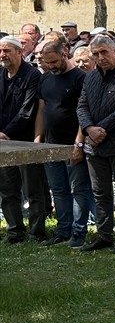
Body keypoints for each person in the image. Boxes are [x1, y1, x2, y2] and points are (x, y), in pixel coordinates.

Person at [76, 35, 115, 252]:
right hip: (93, 145)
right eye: (95, 54)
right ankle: (104, 235)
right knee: (100, 192)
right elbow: (82, 106)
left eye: (104, 52)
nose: (100, 57)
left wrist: (99, 129)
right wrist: (88, 129)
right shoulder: (90, 78)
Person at [34, 39, 91, 247]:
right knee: (58, 190)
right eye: (47, 62)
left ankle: (78, 231)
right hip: (50, 144)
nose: (50, 66)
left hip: (72, 144)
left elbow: (84, 112)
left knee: (79, 190)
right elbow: (42, 109)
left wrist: (78, 143)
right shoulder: (45, 78)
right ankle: (63, 230)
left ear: (65, 53)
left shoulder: (80, 78)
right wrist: (38, 138)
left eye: (54, 61)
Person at [0, 35, 48, 243]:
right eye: (1, 51)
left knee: (33, 190)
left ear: (20, 52)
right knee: (7, 190)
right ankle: (14, 231)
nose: (3, 55)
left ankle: (37, 232)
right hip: (2, 143)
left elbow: (27, 110)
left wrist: (5, 132)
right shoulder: (0, 74)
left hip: (26, 141)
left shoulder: (32, 75)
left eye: (7, 51)